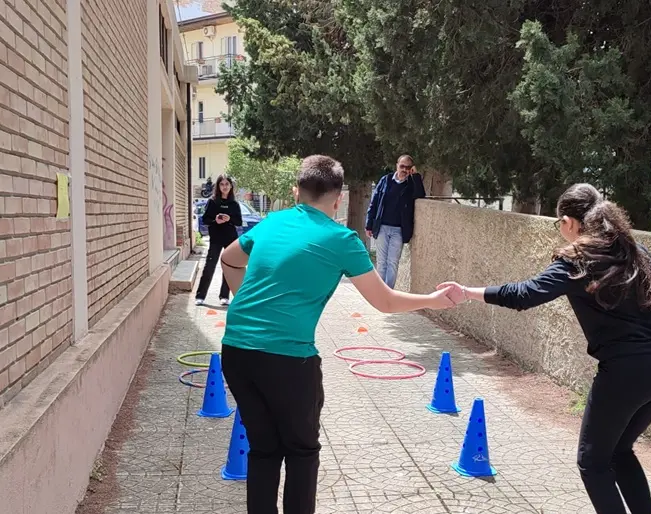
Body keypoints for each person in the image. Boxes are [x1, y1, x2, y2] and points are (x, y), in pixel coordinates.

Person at [216, 155, 460, 514]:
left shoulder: (271, 223)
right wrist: (434, 300)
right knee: (301, 451)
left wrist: (248, 305)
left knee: (264, 448)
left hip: (236, 350)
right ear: (337, 199)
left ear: (295, 191)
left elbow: (228, 259)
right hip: (288, 359)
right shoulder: (342, 238)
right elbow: (385, 301)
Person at [436, 183, 651, 514]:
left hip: (629, 370)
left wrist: (468, 291)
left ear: (569, 222)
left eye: (560, 225)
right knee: (619, 450)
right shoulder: (628, 248)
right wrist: (645, 308)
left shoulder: (579, 258)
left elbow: (525, 294)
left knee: (592, 462)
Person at [364, 154, 426, 288]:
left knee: (393, 262)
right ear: (397, 165)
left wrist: (415, 176)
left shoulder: (411, 184)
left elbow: (421, 195)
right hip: (382, 227)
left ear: (411, 169)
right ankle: (379, 291)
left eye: (408, 167)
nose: (404, 169)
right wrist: (369, 224)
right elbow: (374, 203)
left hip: (399, 229)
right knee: (381, 262)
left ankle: (388, 292)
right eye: (402, 166)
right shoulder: (385, 180)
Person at [195, 174, 243, 306]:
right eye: (222, 184)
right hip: (216, 238)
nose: (225, 187)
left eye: (227, 184)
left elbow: (239, 222)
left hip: (231, 239)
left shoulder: (234, 203)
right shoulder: (212, 201)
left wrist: (229, 219)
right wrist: (215, 220)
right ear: (218, 186)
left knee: (228, 266)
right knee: (209, 265)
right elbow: (205, 219)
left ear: (231, 186)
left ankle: (224, 296)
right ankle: (200, 296)